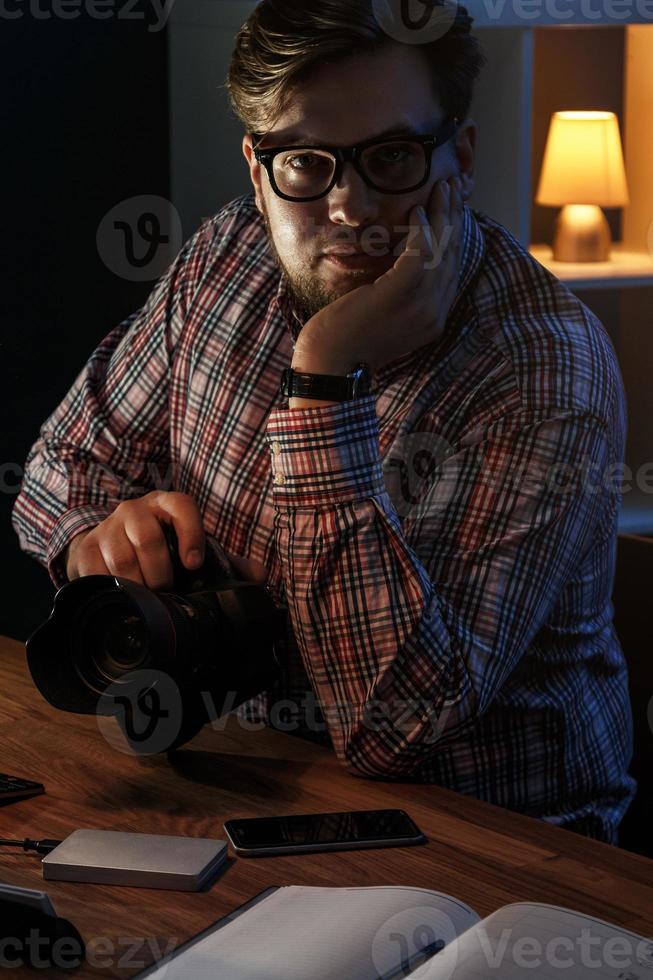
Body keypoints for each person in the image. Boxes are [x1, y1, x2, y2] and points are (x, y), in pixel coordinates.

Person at [12, 0, 635, 845]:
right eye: (305, 163)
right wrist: (98, 540)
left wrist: (325, 373)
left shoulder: (543, 367)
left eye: (391, 156)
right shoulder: (227, 253)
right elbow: (59, 471)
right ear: (256, 165)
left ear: (462, 157)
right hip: (240, 780)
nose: (349, 207)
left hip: (492, 844)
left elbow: (396, 729)